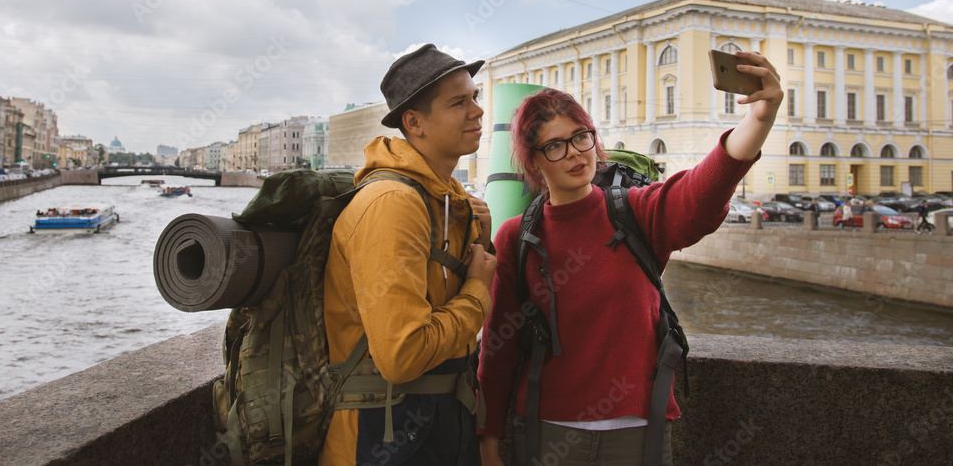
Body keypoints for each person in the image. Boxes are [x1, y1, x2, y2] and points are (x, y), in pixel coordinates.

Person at [477, 51, 782, 466]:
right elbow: (500, 345)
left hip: (639, 433)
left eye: (581, 136)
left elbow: (698, 195)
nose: (574, 153)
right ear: (532, 161)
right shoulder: (518, 235)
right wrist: (488, 439)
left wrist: (758, 121)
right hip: (549, 432)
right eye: (554, 145)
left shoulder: (635, 212)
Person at [320, 44, 498, 466]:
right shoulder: (393, 204)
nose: (477, 111)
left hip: (428, 427)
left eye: (475, 97)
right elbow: (402, 356)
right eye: (459, 102)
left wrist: (480, 239)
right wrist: (477, 292)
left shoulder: (446, 200)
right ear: (414, 123)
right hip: (385, 436)